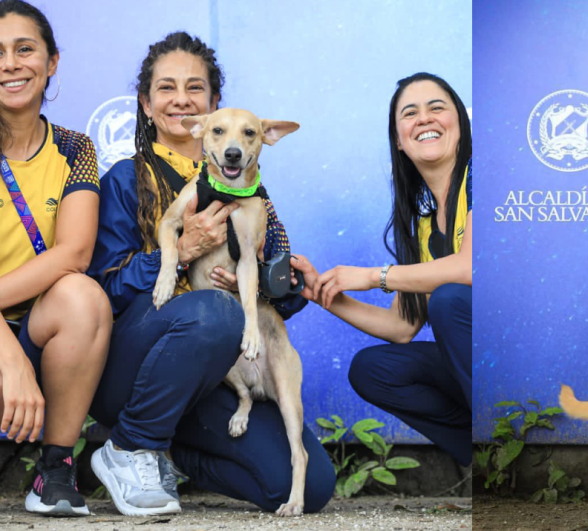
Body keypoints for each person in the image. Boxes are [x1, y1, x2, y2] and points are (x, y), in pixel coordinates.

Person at [86, 31, 334, 516]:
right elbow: (105, 291)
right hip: (138, 365)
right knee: (213, 314)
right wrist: (177, 251)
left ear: (215, 105)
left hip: (219, 374)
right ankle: (130, 444)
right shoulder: (123, 180)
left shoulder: (249, 187)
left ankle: (174, 454)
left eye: (195, 88)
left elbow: (281, 297)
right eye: (166, 88)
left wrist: (275, 276)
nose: (181, 99)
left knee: (311, 486)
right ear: (146, 102)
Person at [291, 72, 472, 466]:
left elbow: (470, 268)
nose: (424, 119)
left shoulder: (482, 175)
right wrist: (323, 295)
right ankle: (480, 454)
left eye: (436, 107)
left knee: (450, 299)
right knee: (374, 369)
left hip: (496, 355)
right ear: (398, 139)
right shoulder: (423, 220)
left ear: (460, 121)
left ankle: (496, 438)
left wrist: (375, 276)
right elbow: (402, 328)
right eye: (410, 113)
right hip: (471, 359)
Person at [0, 0, 111, 517]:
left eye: (25, 49)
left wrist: (22, 353)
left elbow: (76, 251)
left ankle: (55, 468)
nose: (11, 64)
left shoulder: (74, 148)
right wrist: (9, 359)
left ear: (52, 62)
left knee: (82, 297)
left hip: (35, 326)